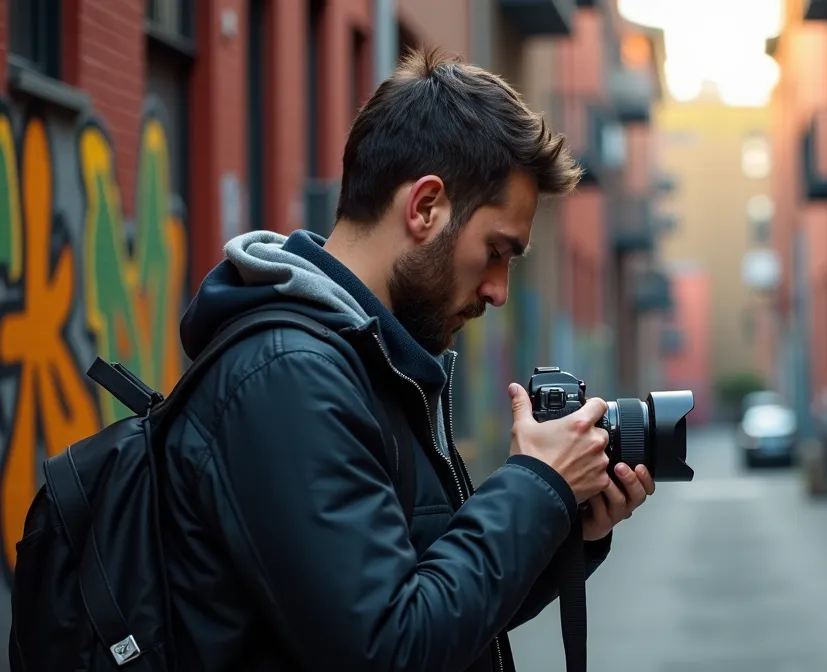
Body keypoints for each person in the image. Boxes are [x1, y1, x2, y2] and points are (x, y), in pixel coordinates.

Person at [159, 48, 655, 671]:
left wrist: (564, 529)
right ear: (425, 207)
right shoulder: (289, 377)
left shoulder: (371, 365)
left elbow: (436, 606)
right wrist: (537, 485)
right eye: (496, 251)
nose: (499, 290)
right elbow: (393, 648)